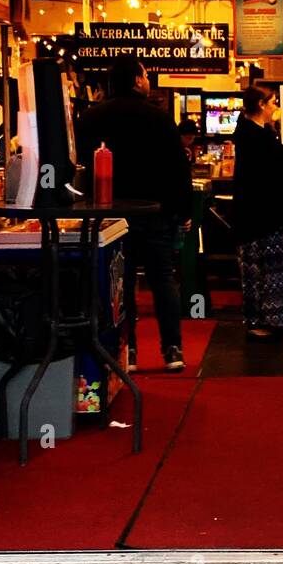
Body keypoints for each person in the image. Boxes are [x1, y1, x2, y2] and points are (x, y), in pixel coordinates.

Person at [77, 57, 192, 372]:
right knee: (162, 280)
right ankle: (172, 349)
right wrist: (183, 209)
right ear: (137, 80)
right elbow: (177, 167)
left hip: (109, 214)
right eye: (145, 75)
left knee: (120, 283)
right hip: (154, 211)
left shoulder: (90, 118)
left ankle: (126, 351)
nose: (148, 80)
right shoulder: (158, 117)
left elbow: (77, 167)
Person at [232, 85, 283, 339]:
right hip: (263, 214)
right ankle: (263, 320)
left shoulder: (255, 132)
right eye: (273, 102)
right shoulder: (252, 135)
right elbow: (270, 171)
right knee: (263, 269)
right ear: (260, 104)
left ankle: (267, 318)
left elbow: (271, 161)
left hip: (261, 214)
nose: (276, 107)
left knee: (265, 268)